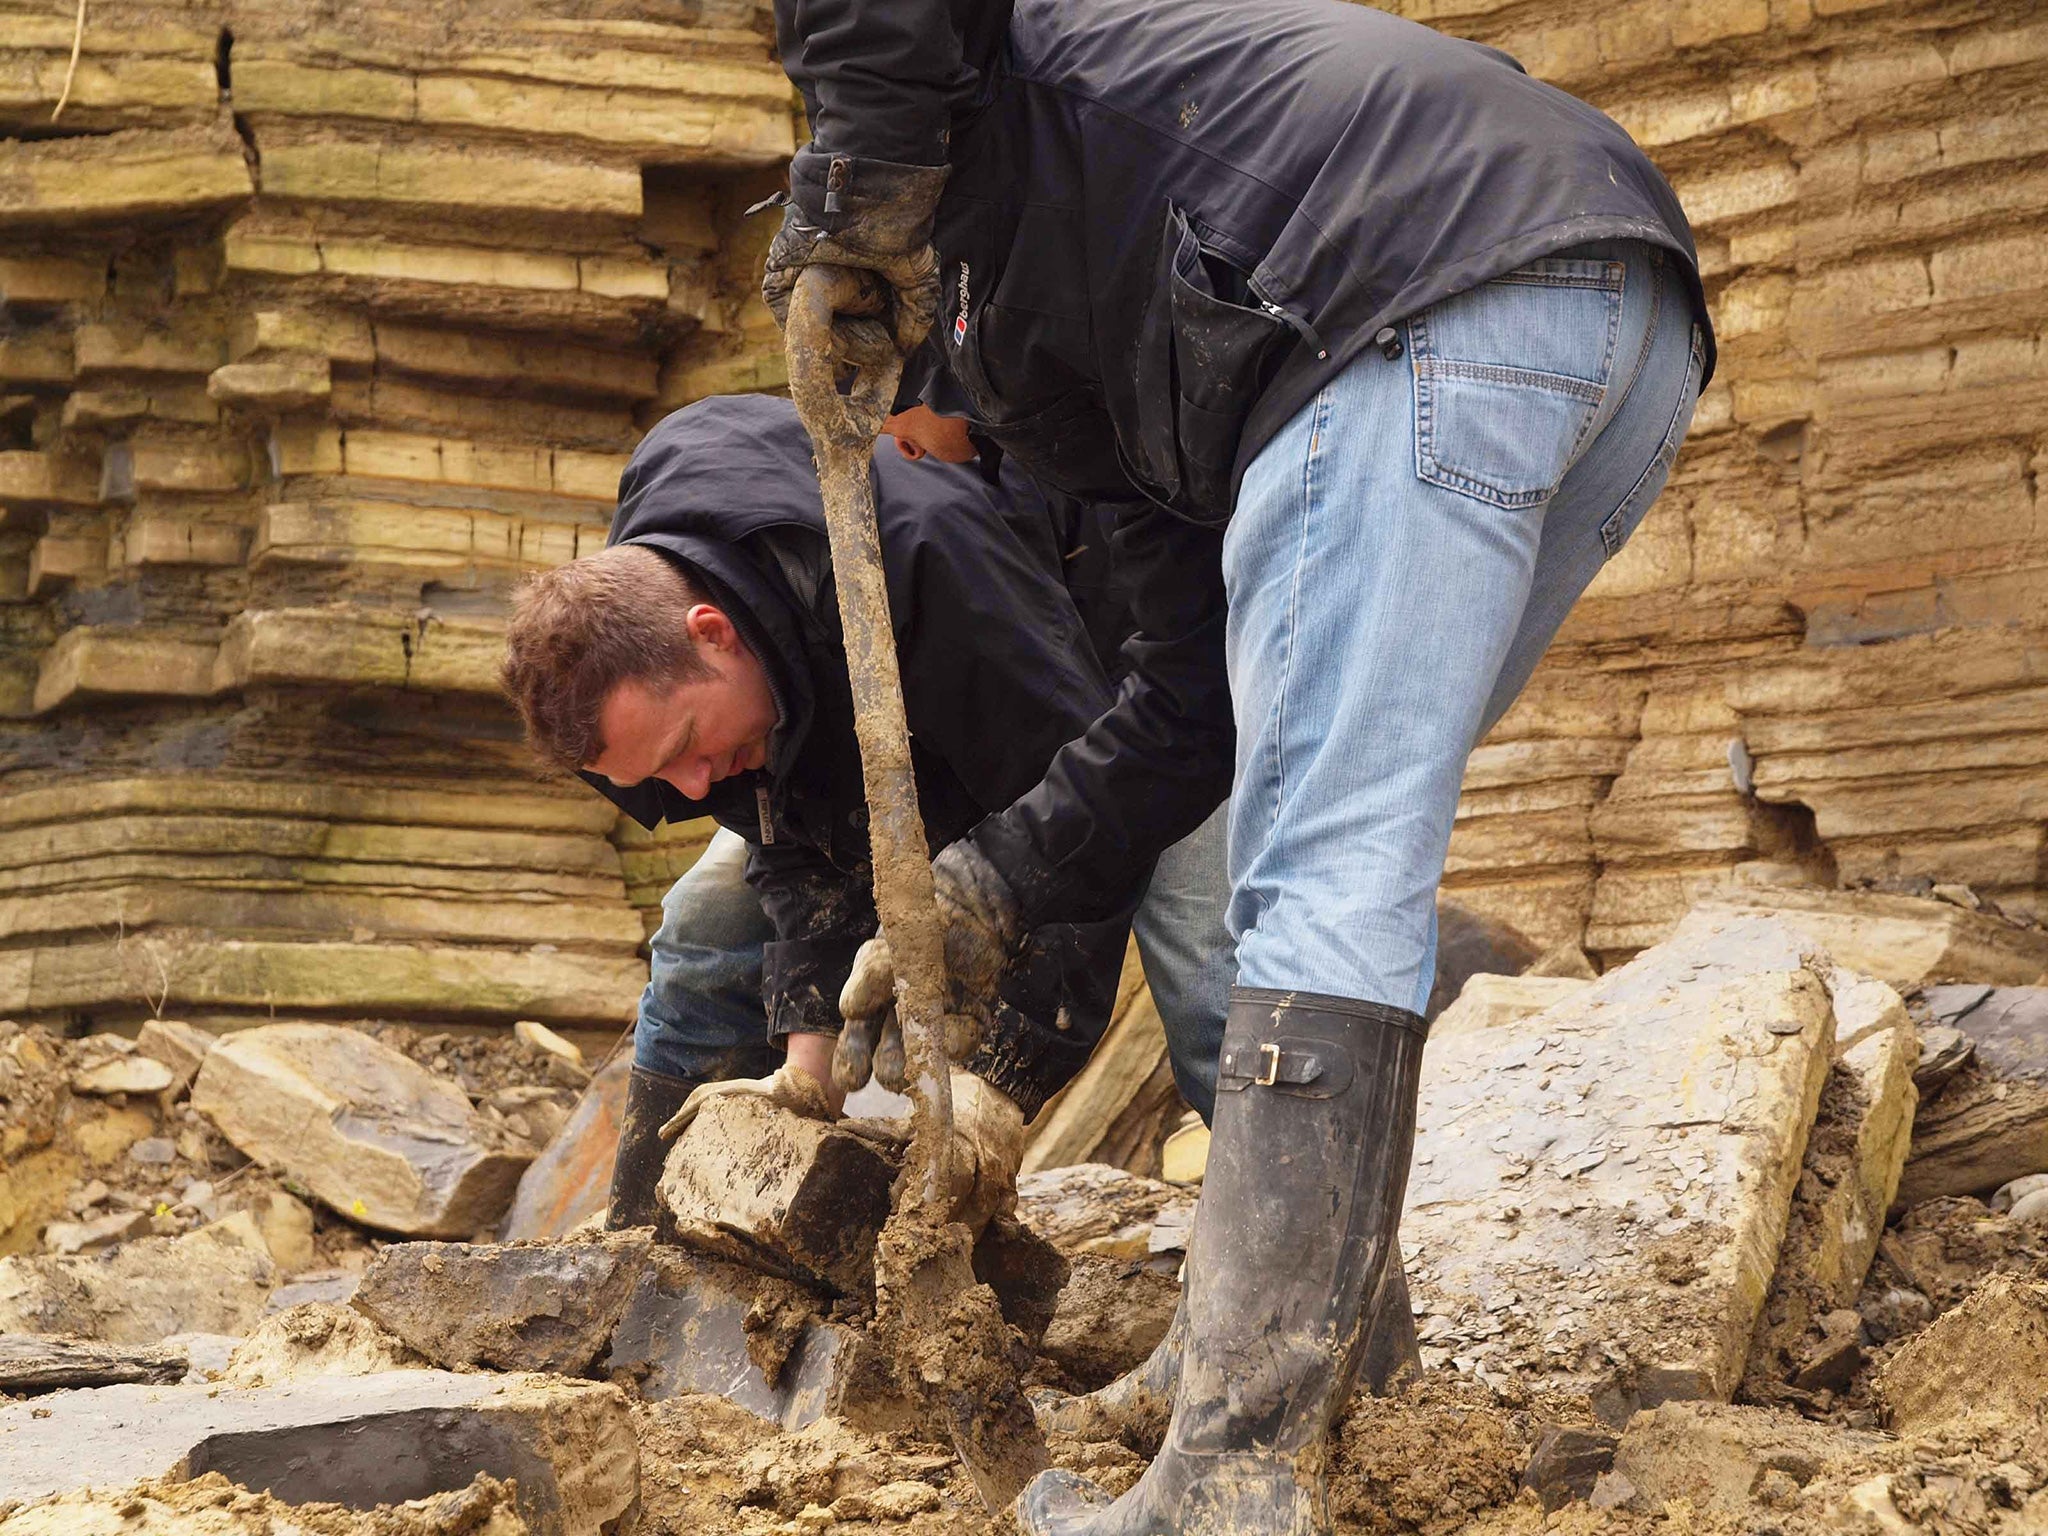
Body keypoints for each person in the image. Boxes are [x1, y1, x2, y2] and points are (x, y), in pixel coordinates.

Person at [759, 0, 1715, 1530]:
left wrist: (848, 198)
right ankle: (1302, 1365)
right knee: (1330, 824)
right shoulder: (1077, 334)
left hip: (1423, 302)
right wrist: (990, 887)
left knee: (1324, 875)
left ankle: (1237, 1474)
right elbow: (1194, 699)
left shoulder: (1005, 110)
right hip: (1614, 313)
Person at [502, 392, 1198, 1235]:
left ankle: (1300, 1307)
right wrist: (809, 1065)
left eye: (688, 745)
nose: (691, 787)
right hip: (882, 691)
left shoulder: (927, 564)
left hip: (1136, 687)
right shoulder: (648, 656)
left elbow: (1079, 825)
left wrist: (1001, 1081)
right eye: (662, 774)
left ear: (713, 631)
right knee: (702, 922)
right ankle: (647, 1251)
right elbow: (785, 817)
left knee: (1211, 971)